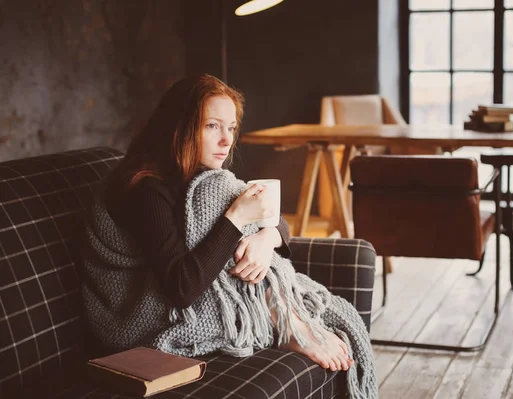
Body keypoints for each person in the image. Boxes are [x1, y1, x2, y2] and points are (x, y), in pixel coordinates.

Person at [96, 74, 353, 371]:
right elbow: (182, 289)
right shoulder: (147, 189)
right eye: (212, 126)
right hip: (139, 315)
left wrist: (265, 238)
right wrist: (237, 217)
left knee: (224, 193)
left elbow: (278, 222)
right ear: (179, 127)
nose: (227, 140)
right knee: (220, 192)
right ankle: (287, 321)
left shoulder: (193, 171)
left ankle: (285, 315)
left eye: (231, 127)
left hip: (192, 286)